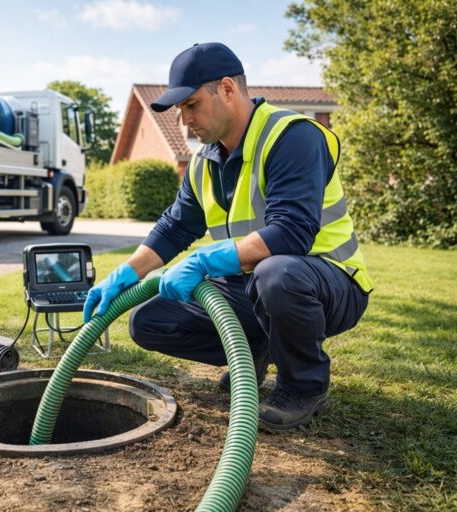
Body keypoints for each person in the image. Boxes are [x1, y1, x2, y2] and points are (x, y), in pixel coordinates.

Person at [83, 42, 373, 432]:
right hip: (257, 285)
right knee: (150, 321)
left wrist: (203, 261)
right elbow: (176, 227)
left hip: (327, 283)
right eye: (180, 110)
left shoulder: (293, 136)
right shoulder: (204, 160)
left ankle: (304, 387)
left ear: (227, 89)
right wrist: (125, 274)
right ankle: (254, 349)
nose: (184, 121)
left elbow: (291, 233)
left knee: (277, 274)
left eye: (191, 105)